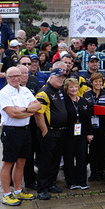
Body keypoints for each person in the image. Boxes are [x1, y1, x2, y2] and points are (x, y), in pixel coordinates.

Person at [0, 66, 41, 205]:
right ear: (7, 78)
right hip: (11, 131)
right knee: (8, 163)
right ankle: (6, 194)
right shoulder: (4, 93)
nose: (16, 78)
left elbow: (38, 106)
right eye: (12, 76)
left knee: (21, 162)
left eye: (18, 75)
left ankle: (17, 190)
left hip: (25, 130)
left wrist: (25, 110)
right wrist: (28, 111)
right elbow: (12, 113)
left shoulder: (25, 90)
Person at [34, 67, 72, 199]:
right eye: (59, 77)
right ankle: (42, 188)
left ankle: (51, 183)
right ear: (51, 77)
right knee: (46, 161)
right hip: (49, 132)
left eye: (63, 78)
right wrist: (45, 130)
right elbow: (38, 114)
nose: (61, 80)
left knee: (55, 160)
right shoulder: (44, 92)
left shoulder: (60, 90)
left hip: (61, 131)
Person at [62, 78, 93, 190]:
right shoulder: (64, 101)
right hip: (68, 134)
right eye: (71, 87)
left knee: (82, 157)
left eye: (75, 87)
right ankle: (71, 181)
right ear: (66, 89)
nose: (74, 89)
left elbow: (88, 118)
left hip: (82, 133)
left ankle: (82, 181)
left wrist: (89, 133)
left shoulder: (83, 101)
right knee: (69, 158)